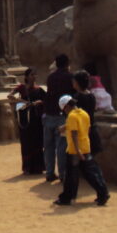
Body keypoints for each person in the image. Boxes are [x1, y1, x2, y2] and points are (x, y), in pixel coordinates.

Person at [54, 95, 110, 207]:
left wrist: (77, 150)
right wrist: (65, 128)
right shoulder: (84, 114)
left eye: (64, 109)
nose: (64, 112)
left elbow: (74, 133)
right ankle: (103, 193)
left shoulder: (71, 116)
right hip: (85, 147)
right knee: (92, 173)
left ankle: (67, 198)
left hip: (75, 150)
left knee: (71, 176)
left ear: (66, 107)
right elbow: (86, 129)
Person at [42, 54, 75, 183]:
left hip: (49, 114)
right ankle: (62, 174)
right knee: (61, 147)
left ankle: (49, 173)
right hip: (62, 116)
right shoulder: (70, 77)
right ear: (67, 64)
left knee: (48, 146)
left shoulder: (51, 77)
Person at [7, 68, 46, 174]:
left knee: (37, 142)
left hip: (36, 119)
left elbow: (45, 100)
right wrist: (19, 100)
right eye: (32, 75)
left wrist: (37, 102)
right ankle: (28, 168)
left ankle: (38, 167)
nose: (34, 77)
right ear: (27, 76)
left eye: (35, 75)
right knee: (26, 142)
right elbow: (10, 95)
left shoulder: (39, 89)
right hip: (24, 119)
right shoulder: (21, 88)